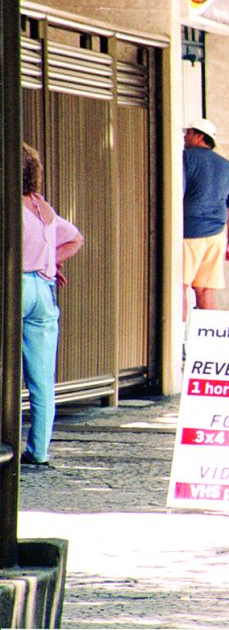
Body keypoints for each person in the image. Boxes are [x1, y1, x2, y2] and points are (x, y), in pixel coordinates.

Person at [21, 143, 85, 467]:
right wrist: (50, 259)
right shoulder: (41, 207)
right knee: (42, 379)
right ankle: (39, 451)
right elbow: (75, 239)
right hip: (44, 292)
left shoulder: (11, 207)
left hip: (16, 287)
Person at [182, 117, 229, 320]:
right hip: (217, 236)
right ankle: (206, 344)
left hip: (189, 231)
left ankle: (178, 344)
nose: (184, 137)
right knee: (205, 290)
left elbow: (176, 195)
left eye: (188, 133)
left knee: (179, 288)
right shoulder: (227, 166)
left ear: (199, 136)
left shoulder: (186, 158)